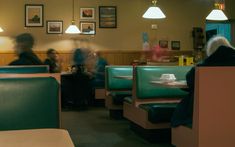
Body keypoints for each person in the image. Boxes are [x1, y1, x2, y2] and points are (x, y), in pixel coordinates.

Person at [171, 36, 235, 127]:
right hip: (231, 108)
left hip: (205, 109)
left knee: (182, 110)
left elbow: (190, 82)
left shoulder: (203, 66)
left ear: (210, 50)